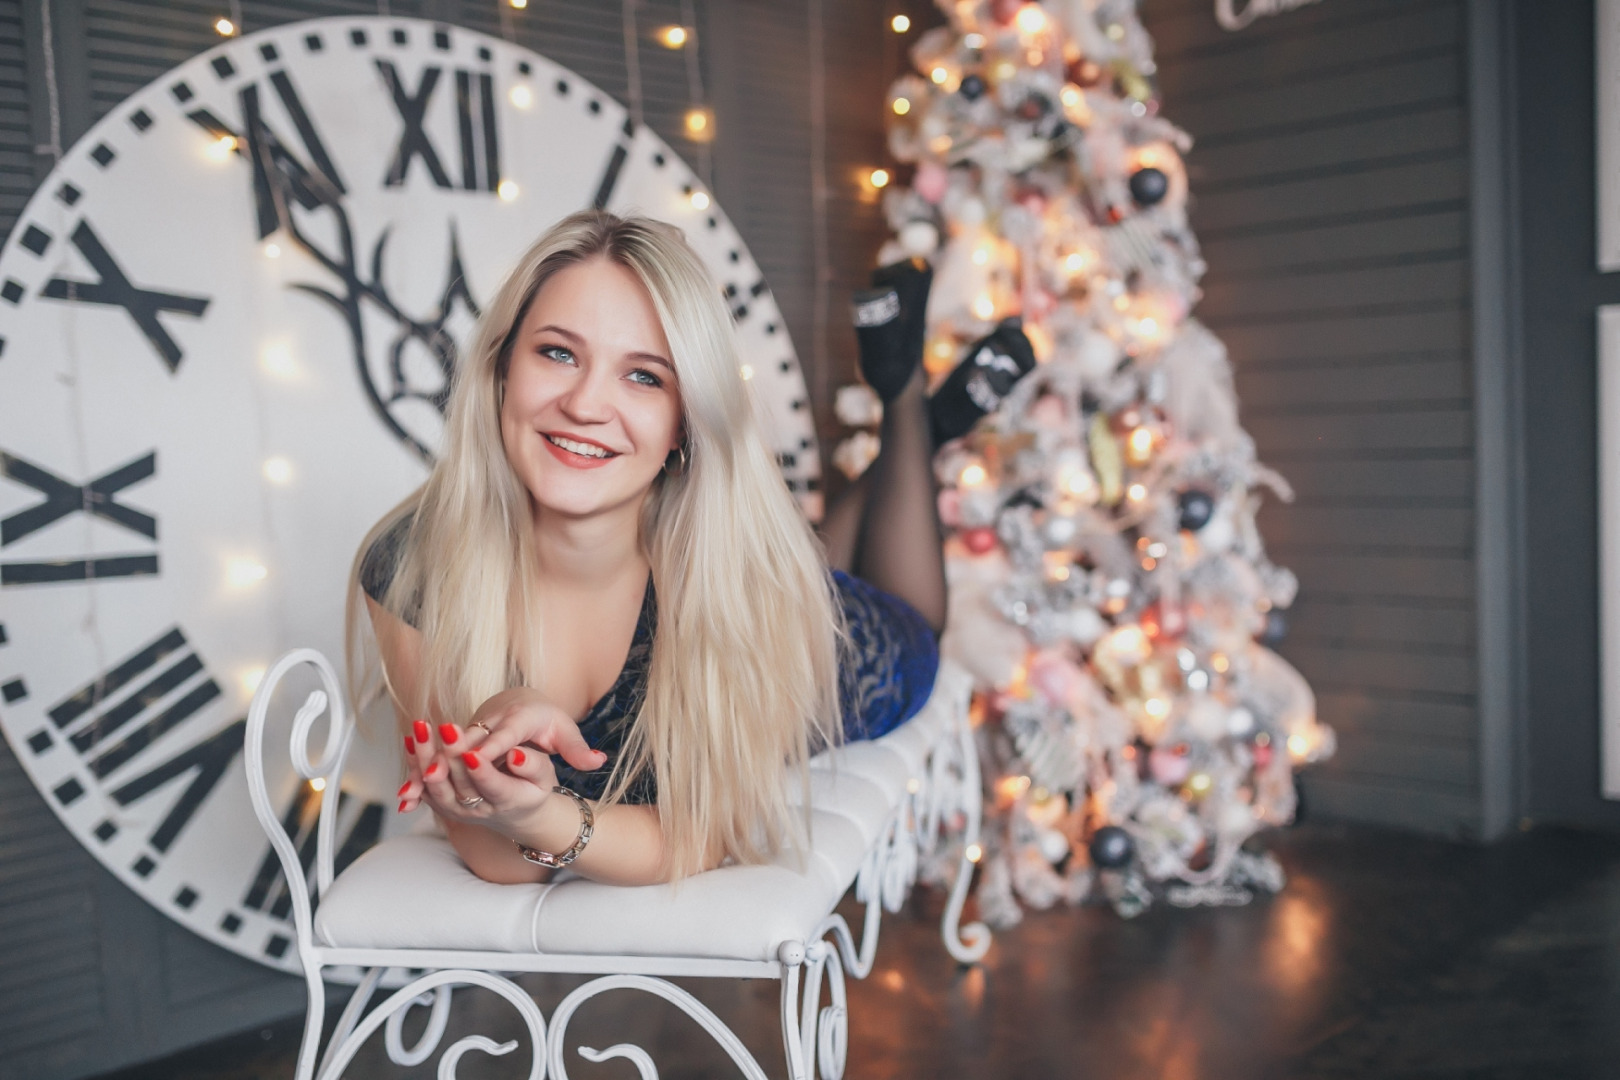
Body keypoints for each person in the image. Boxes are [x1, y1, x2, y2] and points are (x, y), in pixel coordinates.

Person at [350, 210, 955, 887]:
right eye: (557, 353)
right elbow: (499, 863)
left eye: (643, 376)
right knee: (802, 563)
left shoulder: (726, 579)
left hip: (820, 657)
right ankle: (926, 436)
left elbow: (697, 837)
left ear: (683, 425)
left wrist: (545, 817)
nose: (584, 405)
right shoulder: (413, 568)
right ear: (500, 373)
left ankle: (908, 402)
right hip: (763, 575)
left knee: (918, 620)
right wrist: (505, 768)